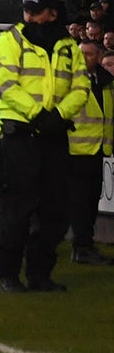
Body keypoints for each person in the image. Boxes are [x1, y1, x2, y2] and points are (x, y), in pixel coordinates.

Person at [0, 0, 83, 293]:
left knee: (56, 209)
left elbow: (81, 87)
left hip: (53, 135)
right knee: (16, 207)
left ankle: (40, 273)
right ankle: (8, 274)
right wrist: (40, 114)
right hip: (23, 135)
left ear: (52, 13)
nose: (28, 16)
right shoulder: (11, 39)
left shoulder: (69, 47)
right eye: (26, 10)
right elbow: (5, 83)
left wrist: (58, 115)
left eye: (35, 11)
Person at [68, 33, 112, 265]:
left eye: (89, 54)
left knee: (89, 201)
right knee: (79, 202)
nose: (84, 58)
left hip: (97, 150)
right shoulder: (70, 80)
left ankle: (84, 245)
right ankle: (81, 246)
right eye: (81, 53)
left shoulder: (106, 82)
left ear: (99, 56)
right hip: (74, 151)